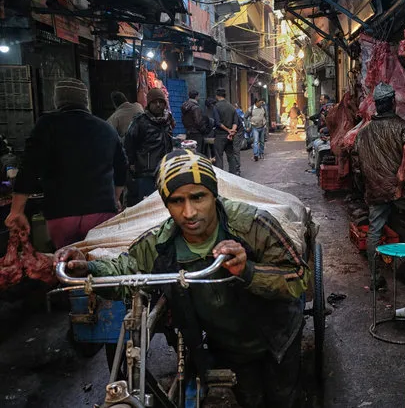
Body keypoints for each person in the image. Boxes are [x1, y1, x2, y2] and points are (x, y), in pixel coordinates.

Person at [55, 149, 308, 407]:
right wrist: (89, 268)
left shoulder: (253, 225)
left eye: (198, 197)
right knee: (249, 397)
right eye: (176, 201)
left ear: (214, 195)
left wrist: (248, 271)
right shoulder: (160, 244)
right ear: (166, 204)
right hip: (230, 346)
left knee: (282, 397)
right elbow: (126, 270)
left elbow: (297, 277)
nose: (189, 212)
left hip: (276, 338)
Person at [5, 78, 128, 248]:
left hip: (62, 213)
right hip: (101, 210)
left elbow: (29, 167)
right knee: (99, 264)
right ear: (86, 101)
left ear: (57, 100)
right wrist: (115, 197)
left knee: (66, 263)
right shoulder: (106, 128)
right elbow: (122, 167)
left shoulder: (47, 125)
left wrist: (16, 210)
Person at [353, 83, 405, 290]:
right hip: (400, 192)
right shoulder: (403, 128)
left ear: (377, 105)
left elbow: (357, 167)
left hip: (376, 191)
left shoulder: (362, 133)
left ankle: (375, 277)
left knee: (375, 232)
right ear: (393, 103)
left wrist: (366, 189)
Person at [124, 88, 174, 205]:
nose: (158, 105)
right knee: (148, 205)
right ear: (149, 103)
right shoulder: (140, 122)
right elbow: (129, 144)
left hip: (164, 170)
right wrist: (132, 164)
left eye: (160, 102)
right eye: (154, 102)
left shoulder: (168, 120)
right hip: (146, 173)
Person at [213, 88, 240, 175]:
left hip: (220, 135)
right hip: (230, 136)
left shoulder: (216, 106)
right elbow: (236, 122)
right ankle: (233, 174)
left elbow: (218, 123)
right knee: (230, 156)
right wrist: (232, 131)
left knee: (219, 156)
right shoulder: (231, 107)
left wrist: (228, 130)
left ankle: (221, 176)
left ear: (217, 96)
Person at [181, 90, 212, 154]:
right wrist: (204, 130)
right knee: (197, 152)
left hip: (188, 132)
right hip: (196, 133)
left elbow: (183, 119)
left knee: (189, 151)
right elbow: (198, 122)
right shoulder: (195, 108)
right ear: (196, 97)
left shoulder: (184, 107)